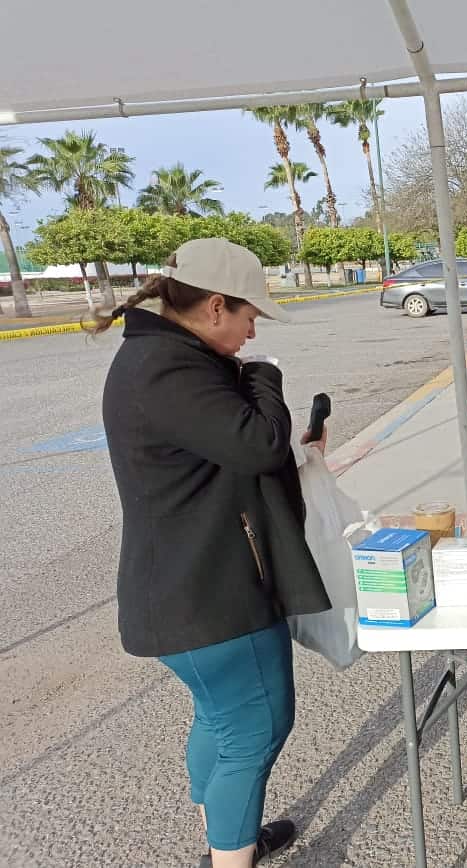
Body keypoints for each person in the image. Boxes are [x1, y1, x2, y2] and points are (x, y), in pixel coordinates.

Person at [93, 238, 331, 868]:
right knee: (254, 729)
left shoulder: (163, 358)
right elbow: (256, 444)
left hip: (186, 589)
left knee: (223, 722)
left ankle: (227, 837)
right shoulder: (168, 368)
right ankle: (231, 853)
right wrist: (264, 376)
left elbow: (227, 453)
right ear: (216, 306)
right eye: (251, 317)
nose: (253, 333)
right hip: (208, 593)